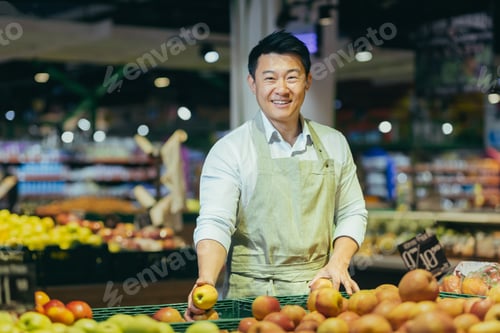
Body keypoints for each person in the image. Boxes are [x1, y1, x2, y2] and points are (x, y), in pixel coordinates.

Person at [184, 30, 367, 321]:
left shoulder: (334, 143)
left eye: (292, 77)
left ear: (307, 82)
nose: (281, 88)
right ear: (252, 84)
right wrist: (206, 279)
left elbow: (352, 211)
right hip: (253, 301)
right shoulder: (230, 150)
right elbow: (216, 222)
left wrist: (338, 263)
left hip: (320, 294)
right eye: (270, 78)